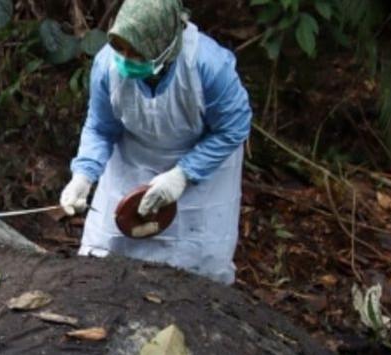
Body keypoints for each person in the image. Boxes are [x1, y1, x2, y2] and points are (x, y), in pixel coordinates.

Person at [59, 0, 251, 285]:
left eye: (135, 52)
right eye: (120, 48)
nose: (125, 59)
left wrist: (183, 175)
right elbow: (100, 127)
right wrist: (84, 175)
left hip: (201, 171)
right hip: (132, 164)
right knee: (105, 255)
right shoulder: (107, 66)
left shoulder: (207, 66)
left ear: (164, 45)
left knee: (198, 268)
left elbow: (234, 128)